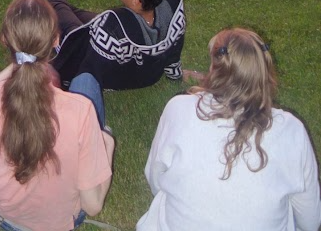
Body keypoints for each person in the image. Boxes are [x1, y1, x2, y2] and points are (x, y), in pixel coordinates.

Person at [137, 27, 321, 231]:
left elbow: (155, 177)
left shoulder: (179, 108)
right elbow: (310, 221)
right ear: (263, 70)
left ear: (215, 67)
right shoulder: (292, 130)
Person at [0, 0, 115, 231]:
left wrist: (16, 66)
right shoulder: (80, 111)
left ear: (3, 39)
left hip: (7, 217)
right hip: (61, 222)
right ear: (56, 40)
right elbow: (92, 206)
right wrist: (107, 145)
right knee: (84, 81)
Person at [32, 0, 185, 95]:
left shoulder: (112, 26)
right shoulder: (172, 8)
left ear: (135, 0)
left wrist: (57, 78)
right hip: (149, 75)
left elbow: (87, 70)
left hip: (122, 77)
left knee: (61, 14)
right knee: (74, 12)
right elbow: (174, 49)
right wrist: (175, 75)